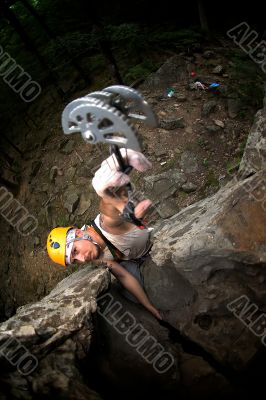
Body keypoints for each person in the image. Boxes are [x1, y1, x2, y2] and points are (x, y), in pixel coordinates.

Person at [47, 148, 162, 320]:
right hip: (132, 259)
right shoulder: (96, 257)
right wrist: (148, 305)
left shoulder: (105, 225)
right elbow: (122, 275)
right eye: (74, 261)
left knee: (111, 216)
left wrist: (106, 194)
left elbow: (108, 215)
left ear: (79, 233)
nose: (82, 259)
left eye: (75, 251)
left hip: (145, 244)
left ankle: (109, 186)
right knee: (132, 297)